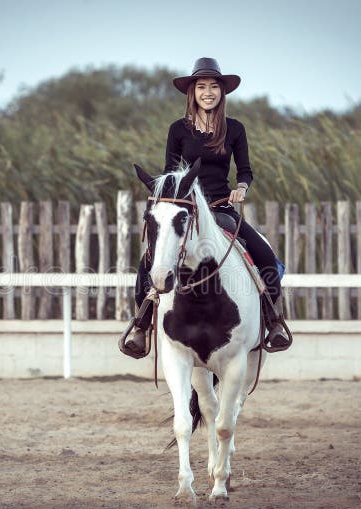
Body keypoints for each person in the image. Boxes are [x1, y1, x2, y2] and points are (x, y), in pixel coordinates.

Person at [121, 57, 290, 358]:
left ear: (222, 92)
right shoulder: (178, 130)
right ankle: (141, 325)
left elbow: (246, 170)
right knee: (148, 261)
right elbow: (170, 172)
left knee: (264, 255)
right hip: (185, 210)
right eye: (202, 87)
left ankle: (274, 321)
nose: (208, 92)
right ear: (192, 92)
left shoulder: (235, 129)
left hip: (220, 209)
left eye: (214, 86)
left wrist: (241, 188)